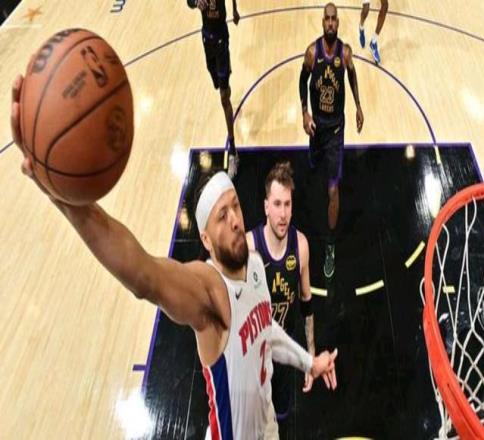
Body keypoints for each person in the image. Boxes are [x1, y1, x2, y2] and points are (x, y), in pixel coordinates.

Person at [11, 75, 338, 440]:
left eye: (234, 206)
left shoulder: (256, 265)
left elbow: (267, 332)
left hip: (267, 428)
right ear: (205, 240)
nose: (234, 219)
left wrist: (309, 361)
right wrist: (63, 196)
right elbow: (144, 275)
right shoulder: (209, 289)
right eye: (221, 216)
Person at [246, 161, 316, 430]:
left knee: (282, 414)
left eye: (287, 204)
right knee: (254, 419)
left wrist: (310, 353)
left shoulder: (301, 246)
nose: (283, 213)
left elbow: (306, 301)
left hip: (283, 350)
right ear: (266, 206)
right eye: (277, 204)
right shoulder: (250, 248)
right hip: (254, 353)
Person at [299, 2, 364, 281]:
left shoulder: (345, 53)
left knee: (333, 189)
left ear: (338, 22)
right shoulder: (312, 53)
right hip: (317, 129)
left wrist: (358, 106)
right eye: (326, 19)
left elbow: (352, 76)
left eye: (334, 19)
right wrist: (304, 112)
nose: (330, 23)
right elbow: (302, 80)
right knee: (313, 169)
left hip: (336, 130)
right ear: (322, 21)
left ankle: (330, 245)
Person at [187, 0, 240, 178]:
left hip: (221, 39)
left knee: (224, 98)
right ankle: (225, 84)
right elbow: (188, 2)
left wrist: (235, 11)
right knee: (217, 84)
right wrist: (196, 3)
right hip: (206, 38)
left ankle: (233, 151)